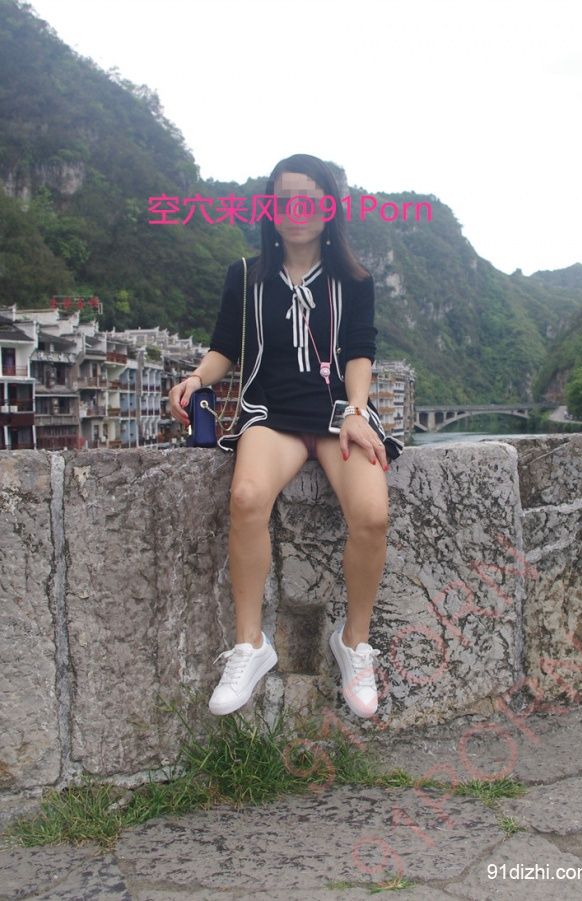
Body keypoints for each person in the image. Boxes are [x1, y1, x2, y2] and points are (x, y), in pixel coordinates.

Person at [168, 153, 389, 719]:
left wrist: (356, 411)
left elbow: (359, 351)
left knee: (371, 515)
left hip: (338, 414)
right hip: (271, 413)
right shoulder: (245, 276)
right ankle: (250, 645)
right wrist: (197, 378)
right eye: (284, 200)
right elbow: (225, 346)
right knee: (246, 498)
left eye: (309, 200)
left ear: (328, 207)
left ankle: (354, 642)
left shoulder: (355, 280)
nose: (296, 211)